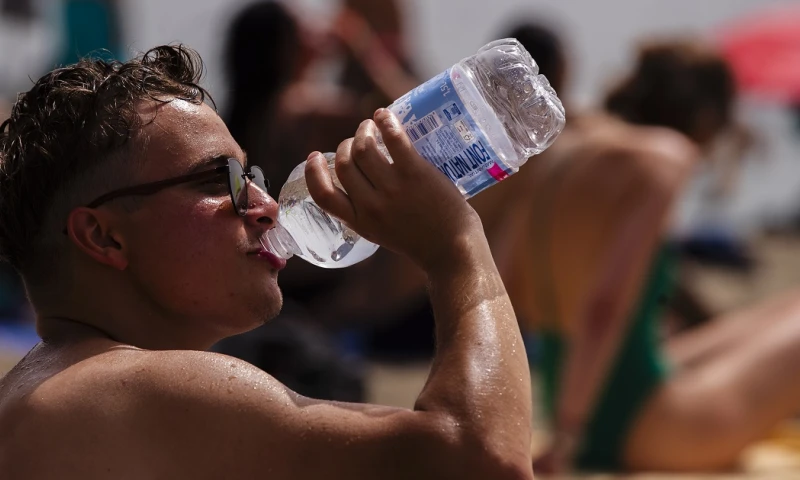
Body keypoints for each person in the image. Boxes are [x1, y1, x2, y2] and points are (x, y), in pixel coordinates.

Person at [0, 45, 534, 479]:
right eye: (221, 181)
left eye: (250, 176)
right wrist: (456, 246)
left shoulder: (47, 390)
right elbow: (485, 462)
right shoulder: (131, 388)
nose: (267, 205)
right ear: (103, 236)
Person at [474, 35, 800, 473]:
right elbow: (604, 307)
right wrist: (569, 434)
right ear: (704, 118)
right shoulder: (664, 157)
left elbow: (507, 280)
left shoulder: (566, 149)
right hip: (645, 427)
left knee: (783, 309)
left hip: (579, 394)